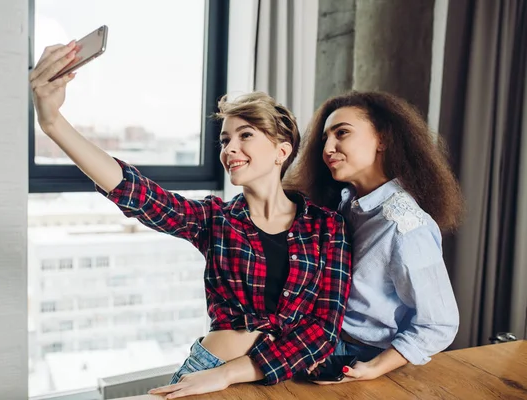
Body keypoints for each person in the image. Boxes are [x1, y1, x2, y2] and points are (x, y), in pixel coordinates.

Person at [29, 41, 352, 398]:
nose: (229, 149)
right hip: (208, 374)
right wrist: (52, 122)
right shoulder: (215, 220)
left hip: (284, 380)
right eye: (225, 139)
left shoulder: (327, 227)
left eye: (245, 135)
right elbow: (137, 193)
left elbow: (323, 330)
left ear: (282, 150)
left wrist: (230, 374)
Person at [286, 90, 462, 384]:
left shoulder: (405, 225)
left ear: (382, 139)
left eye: (342, 133)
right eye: (325, 138)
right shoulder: (347, 203)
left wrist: (373, 368)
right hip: (320, 335)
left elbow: (439, 323)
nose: (328, 147)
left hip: (358, 353)